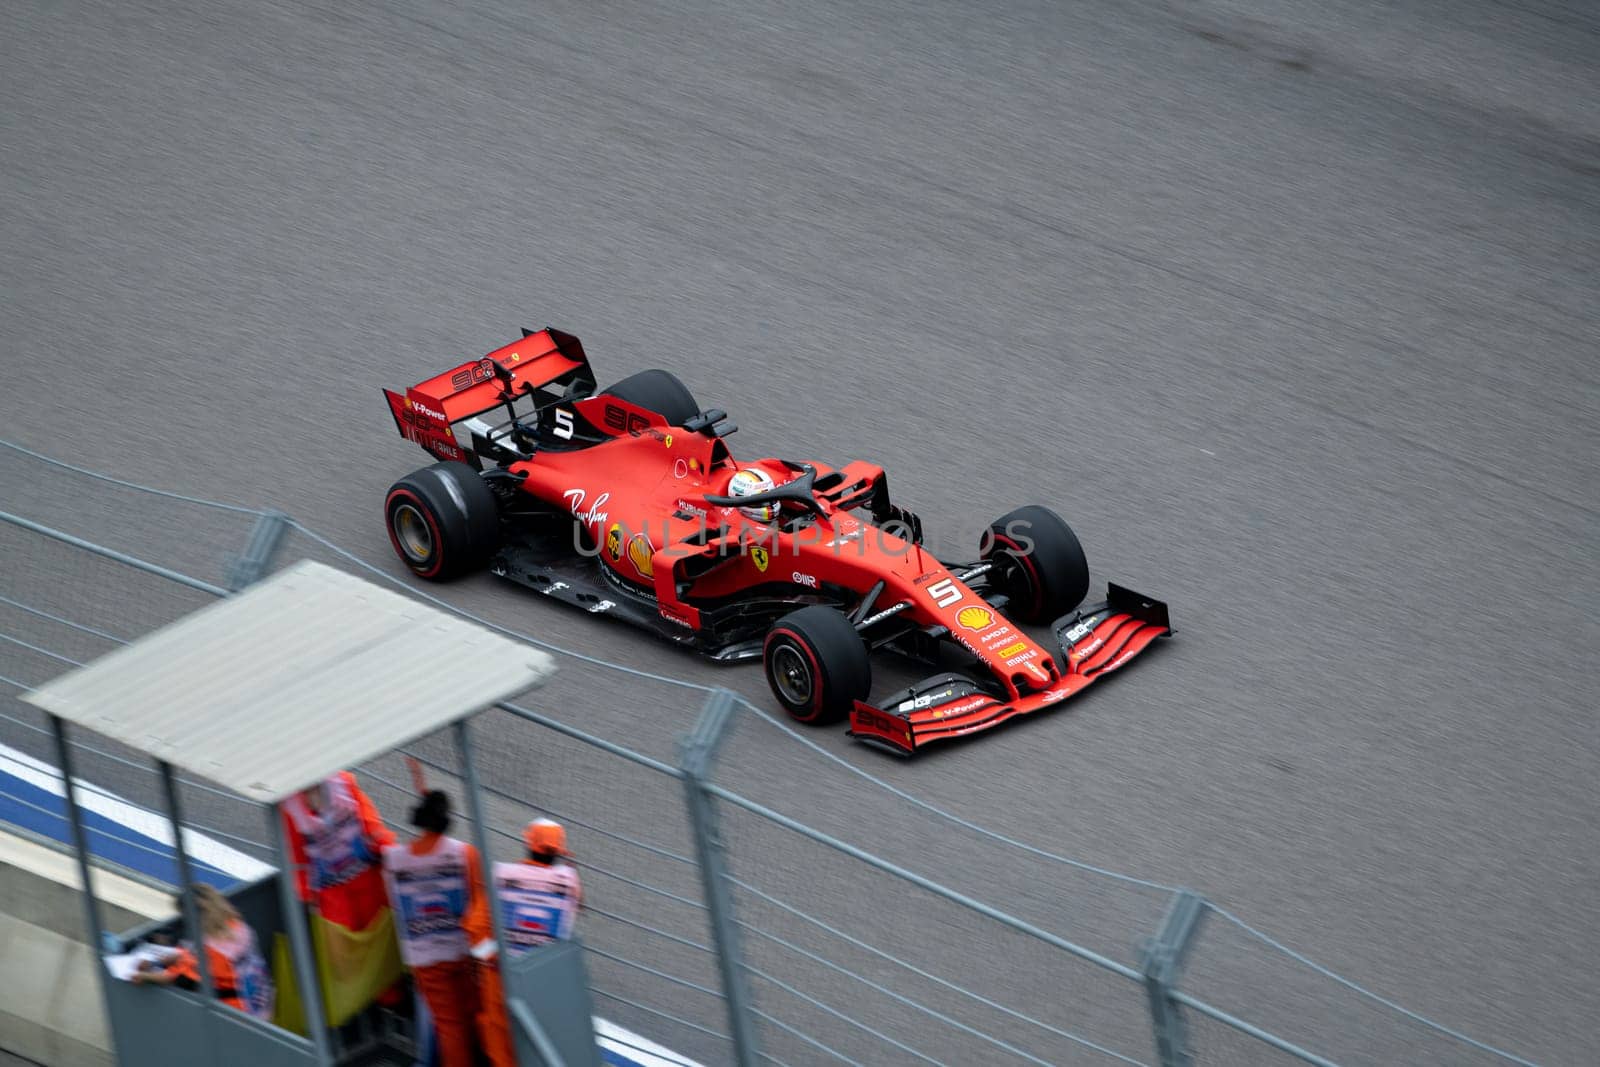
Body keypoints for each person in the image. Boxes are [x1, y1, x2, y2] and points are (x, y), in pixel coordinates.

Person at [465, 818, 584, 1067]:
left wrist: (491, 960)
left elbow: (474, 929)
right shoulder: (570, 881)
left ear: (528, 844)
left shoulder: (501, 875)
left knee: (500, 1047)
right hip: (545, 981)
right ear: (558, 852)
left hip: (502, 977)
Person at [380, 790, 486, 1067]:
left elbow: (394, 903)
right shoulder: (464, 854)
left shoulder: (393, 861)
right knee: (477, 1010)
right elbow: (480, 906)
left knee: (449, 1025)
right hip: (464, 951)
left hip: (424, 958)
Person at [133, 883, 275, 1021]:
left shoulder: (212, 949)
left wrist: (144, 976)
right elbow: (191, 954)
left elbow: (179, 977)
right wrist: (155, 961)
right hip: (260, 999)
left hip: (237, 1014)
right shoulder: (238, 926)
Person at [280, 771, 394, 930]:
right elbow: (297, 855)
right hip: (334, 895)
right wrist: (307, 893)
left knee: (381, 930)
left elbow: (371, 825)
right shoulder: (290, 808)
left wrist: (388, 853)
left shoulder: (342, 783)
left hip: (367, 880)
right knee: (349, 942)